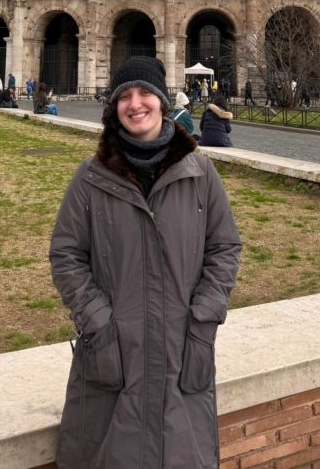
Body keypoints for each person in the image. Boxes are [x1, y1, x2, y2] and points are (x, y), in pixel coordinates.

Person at [49, 55, 242, 469]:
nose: (135, 104)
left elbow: (225, 247)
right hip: (112, 352)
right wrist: (98, 322)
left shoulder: (201, 173)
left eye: (145, 93)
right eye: (125, 96)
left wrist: (205, 316)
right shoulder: (90, 177)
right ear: (114, 107)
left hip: (183, 347)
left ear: (162, 101)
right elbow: (66, 254)